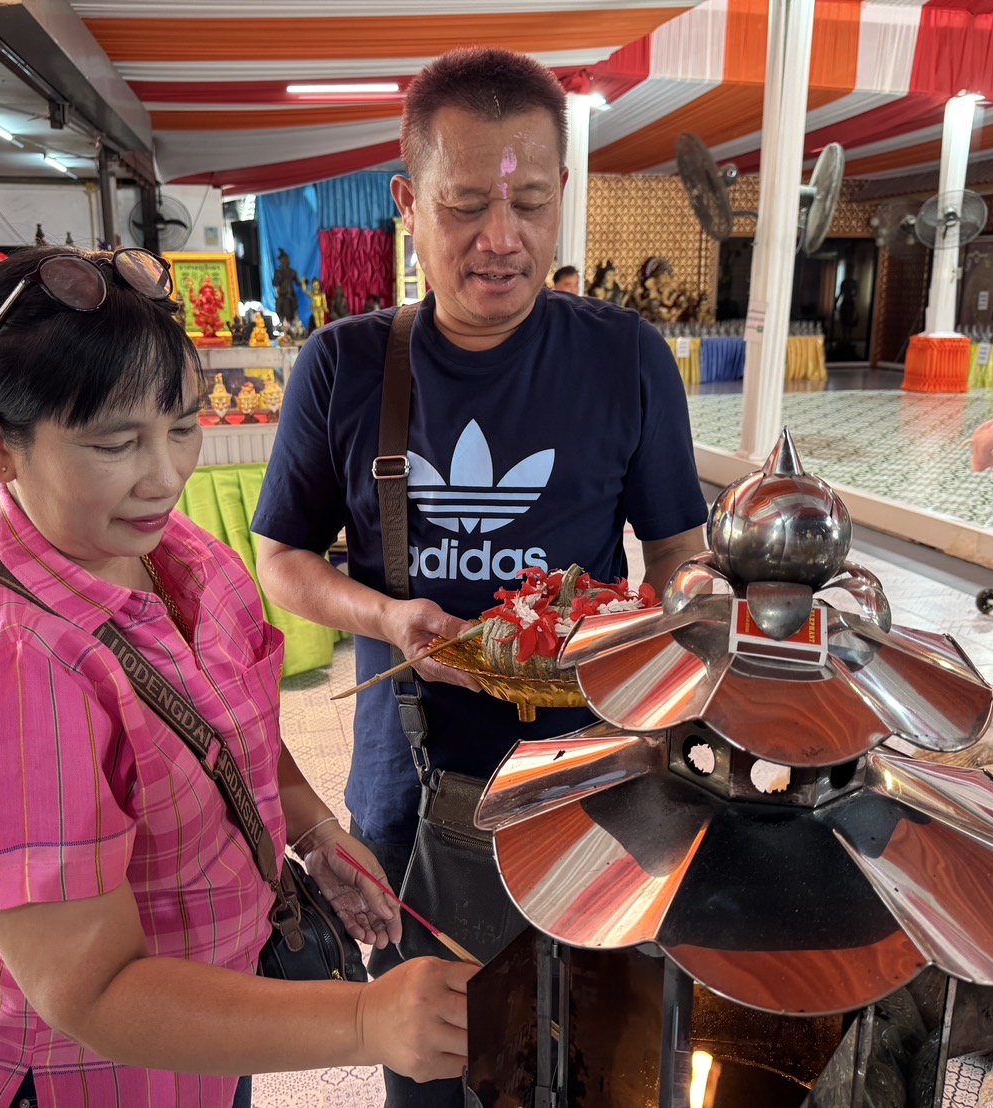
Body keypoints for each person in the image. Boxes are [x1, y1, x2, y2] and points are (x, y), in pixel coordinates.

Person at [0, 246, 474, 1107]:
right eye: (115, 443)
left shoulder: (178, 554)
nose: (164, 478)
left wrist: (310, 826)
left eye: (182, 427)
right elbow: (93, 990)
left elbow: (230, 728)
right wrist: (363, 1020)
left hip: (207, 1031)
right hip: (83, 1079)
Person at [252, 47, 707, 1108]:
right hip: (412, 792)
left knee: (588, 1059)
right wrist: (384, 614)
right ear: (407, 201)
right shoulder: (344, 365)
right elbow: (283, 563)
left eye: (530, 204)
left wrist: (672, 652)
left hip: (591, 783)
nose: (501, 238)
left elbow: (678, 557)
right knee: (435, 1068)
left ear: (561, 197)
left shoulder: (625, 357)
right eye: (464, 205)